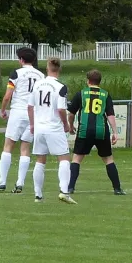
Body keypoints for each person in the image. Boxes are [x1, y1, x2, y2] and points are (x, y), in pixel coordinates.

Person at [67, 69, 125, 195]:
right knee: (108, 159)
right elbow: (110, 115)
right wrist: (115, 132)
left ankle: (70, 187)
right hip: (101, 131)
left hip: (84, 131)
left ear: (88, 81)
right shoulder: (105, 94)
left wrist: (70, 126)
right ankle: (117, 189)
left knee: (76, 158)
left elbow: (71, 113)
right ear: (99, 81)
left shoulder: (81, 94)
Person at [27, 57, 76, 204]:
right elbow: (61, 109)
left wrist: (32, 124)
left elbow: (30, 106)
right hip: (53, 127)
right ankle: (64, 191)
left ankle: (38, 195)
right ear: (59, 69)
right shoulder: (61, 87)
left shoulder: (37, 84)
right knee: (64, 158)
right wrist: (66, 124)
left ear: (47, 68)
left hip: (40, 127)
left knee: (40, 160)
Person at [0, 47, 45, 193]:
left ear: (21, 60)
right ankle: (20, 183)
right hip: (33, 113)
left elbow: (7, 96)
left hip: (18, 111)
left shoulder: (16, 73)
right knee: (25, 147)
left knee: (8, 145)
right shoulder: (41, 75)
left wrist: (3, 110)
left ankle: (2, 181)